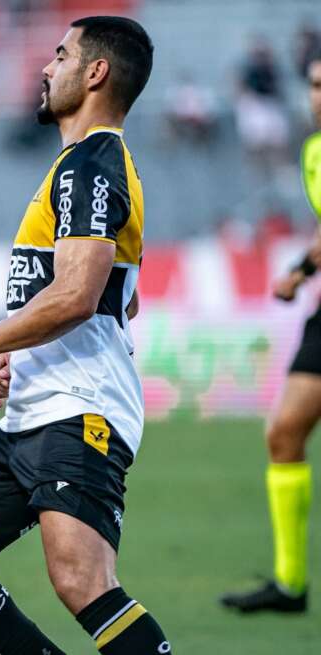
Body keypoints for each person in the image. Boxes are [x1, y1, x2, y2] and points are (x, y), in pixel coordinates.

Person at [0, 16, 172, 654]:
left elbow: (76, 294)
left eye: (61, 54)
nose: (46, 68)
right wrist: (25, 348)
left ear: (95, 73)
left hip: (80, 409)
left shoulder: (92, 165)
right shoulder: (81, 166)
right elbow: (105, 299)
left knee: (83, 581)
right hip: (36, 408)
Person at [220, 51, 321, 615]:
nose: (318, 95)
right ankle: (290, 584)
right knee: (284, 432)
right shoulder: (313, 154)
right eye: (313, 83)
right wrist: (302, 272)